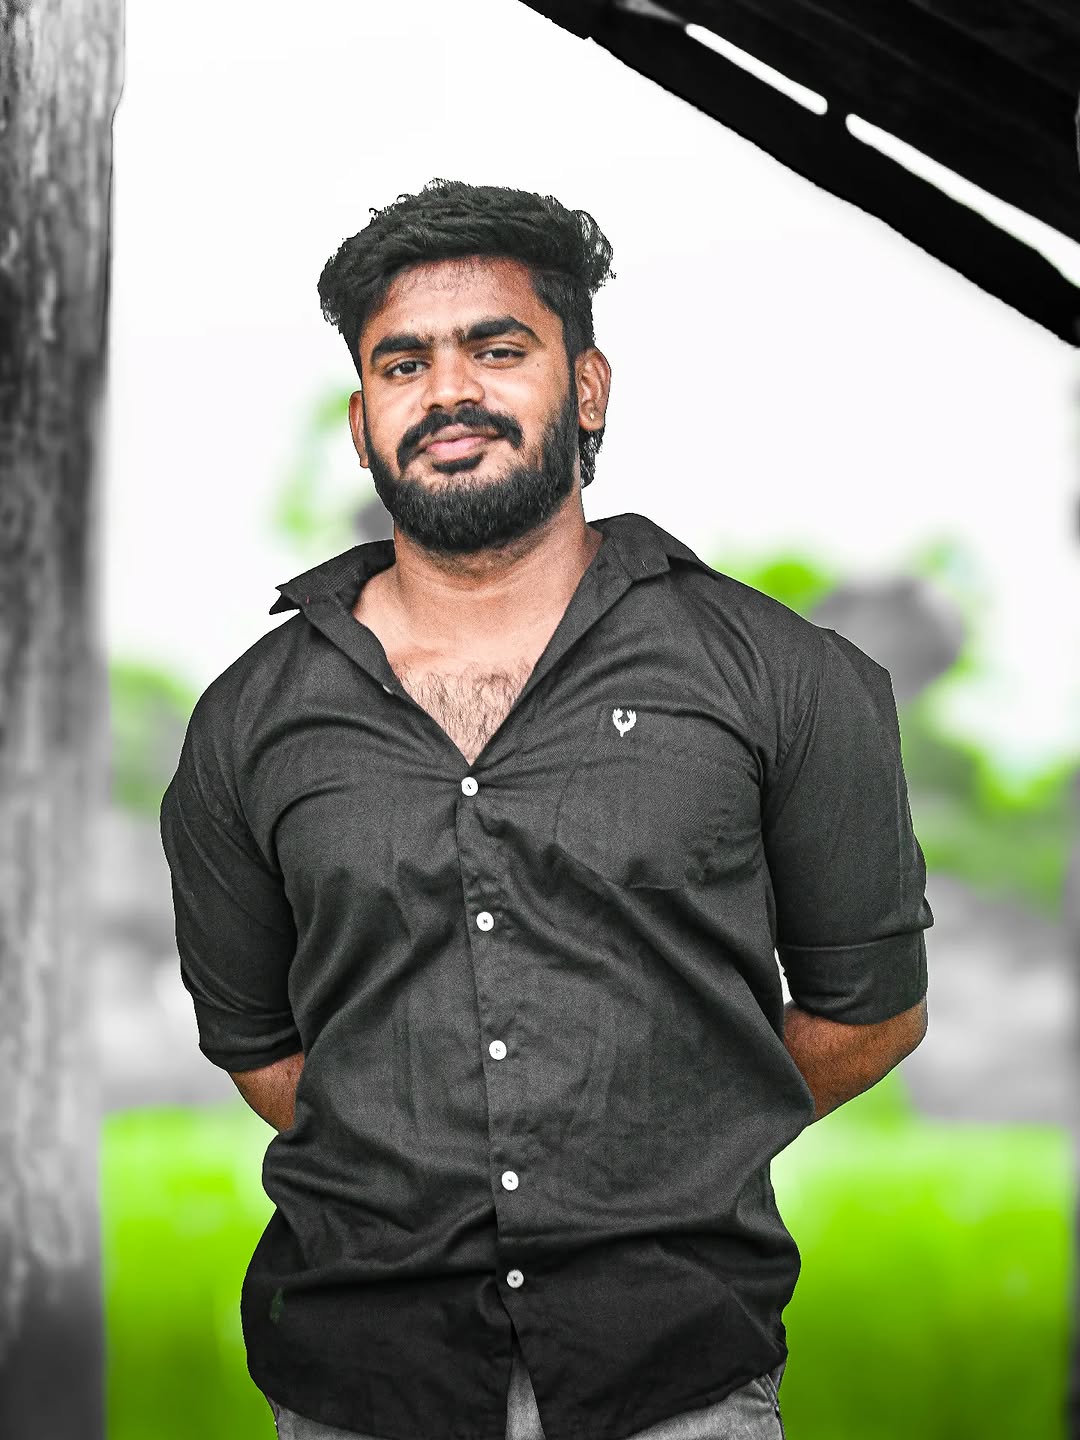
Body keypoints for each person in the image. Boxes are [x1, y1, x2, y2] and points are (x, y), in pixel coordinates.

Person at [159, 178, 933, 1440]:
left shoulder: (782, 677)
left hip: (679, 1380)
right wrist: (427, 1163)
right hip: (361, 1381)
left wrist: (660, 1154)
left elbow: (873, 1011)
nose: (448, 390)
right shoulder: (249, 721)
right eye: (403, 363)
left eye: (498, 348)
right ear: (362, 421)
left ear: (588, 388)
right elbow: (259, 1046)